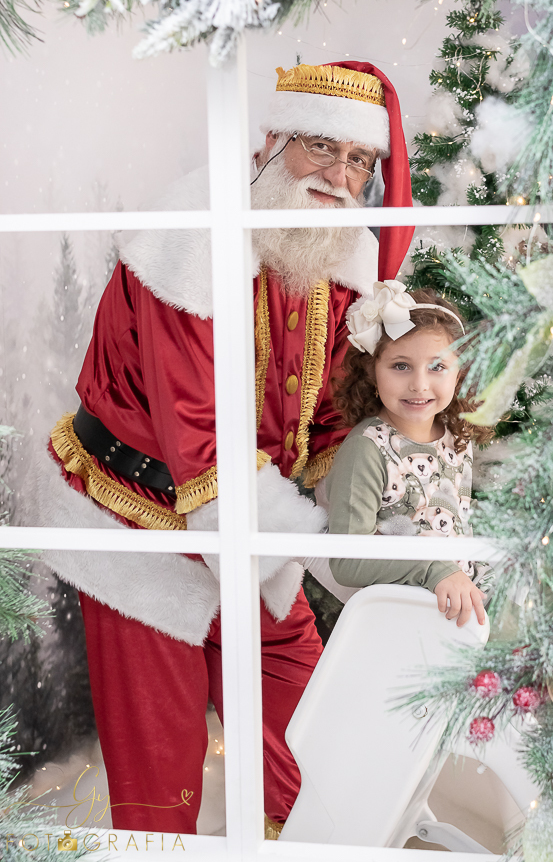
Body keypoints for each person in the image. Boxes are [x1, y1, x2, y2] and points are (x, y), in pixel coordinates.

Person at [21, 61, 415, 836]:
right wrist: (326, 550)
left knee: (314, 758)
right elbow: (196, 442)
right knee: (161, 789)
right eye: (317, 147)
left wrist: (373, 525)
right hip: (138, 525)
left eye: (358, 160)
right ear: (269, 141)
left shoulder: (334, 267)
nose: (338, 176)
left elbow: (333, 422)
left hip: (254, 532)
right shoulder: (190, 245)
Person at [323, 281, 494, 627]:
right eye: (401, 366)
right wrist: (432, 568)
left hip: (455, 623)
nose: (419, 384)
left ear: (459, 373)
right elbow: (346, 561)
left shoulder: (457, 439)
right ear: (372, 371)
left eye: (437, 367)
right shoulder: (367, 448)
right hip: (398, 624)